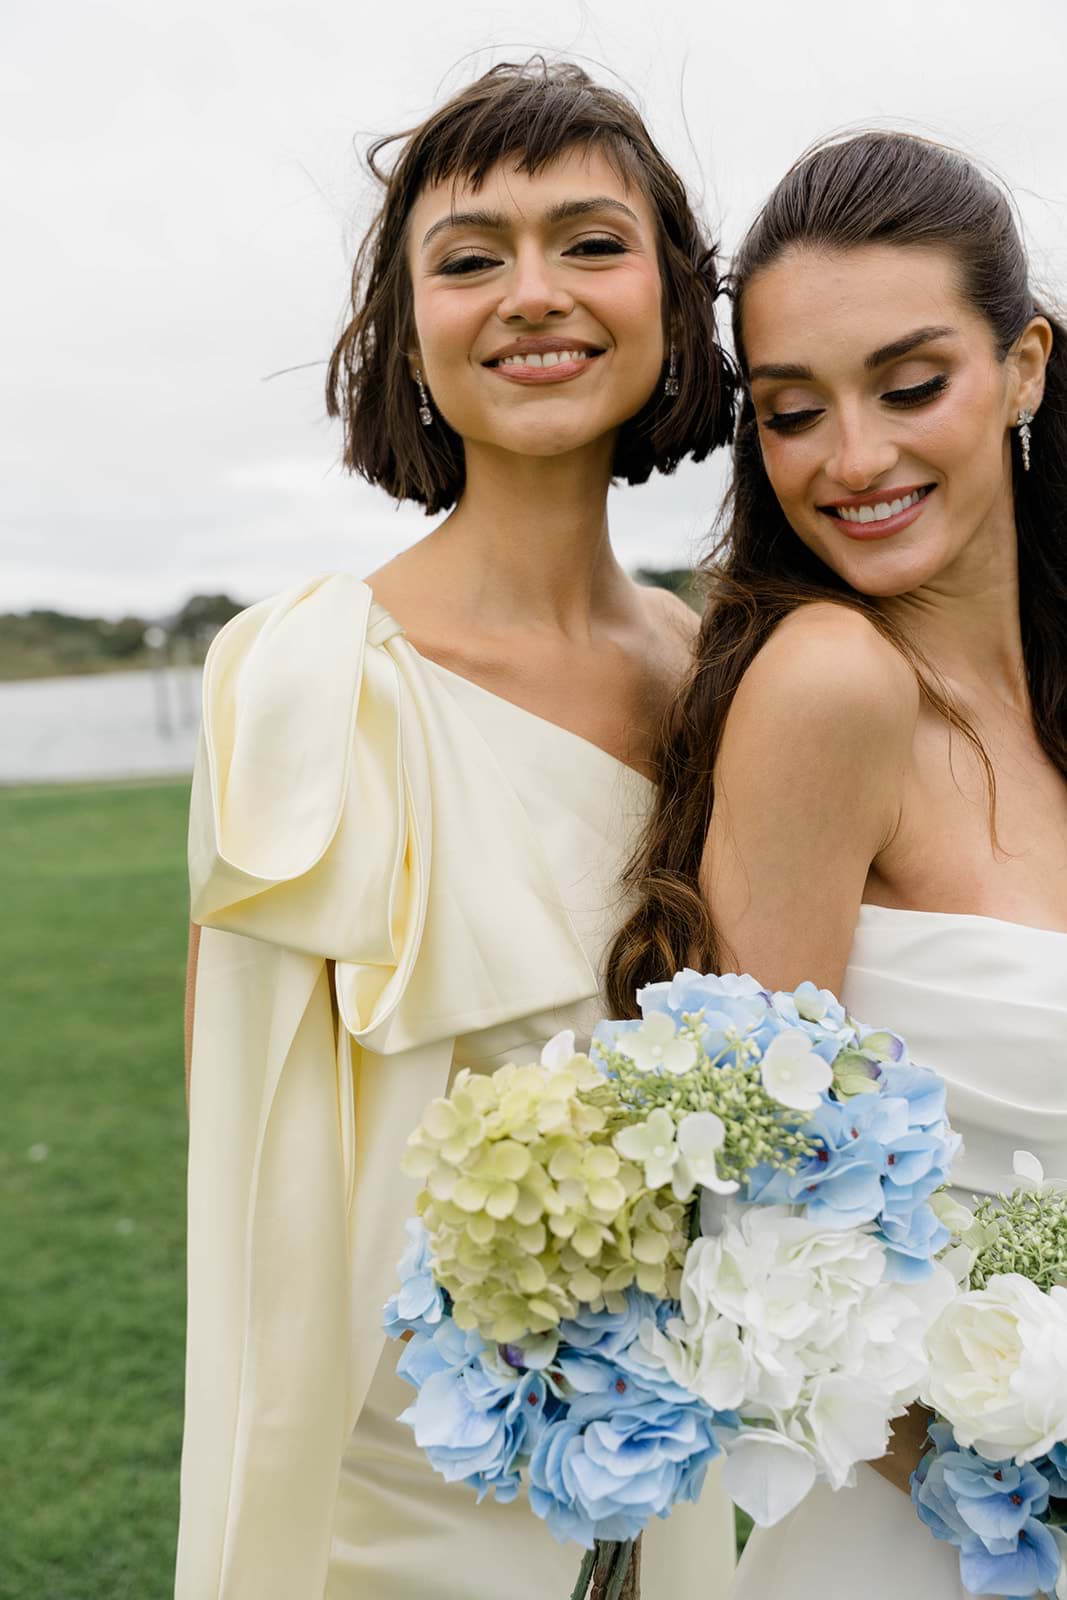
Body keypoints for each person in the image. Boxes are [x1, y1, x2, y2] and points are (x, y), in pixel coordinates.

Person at [177, 59, 739, 1600]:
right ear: (407, 332)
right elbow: (241, 1118)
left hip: (657, 1439)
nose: (532, 295)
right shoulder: (304, 672)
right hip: (387, 1464)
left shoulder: (719, 678)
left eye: (590, 242)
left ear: (677, 303)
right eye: (470, 257)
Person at [605, 130, 1067, 1598]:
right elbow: (753, 1215)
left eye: (910, 385)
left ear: (1028, 368)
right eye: (794, 411)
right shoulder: (827, 686)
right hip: (943, 1536)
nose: (852, 460)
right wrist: (1019, 1507)